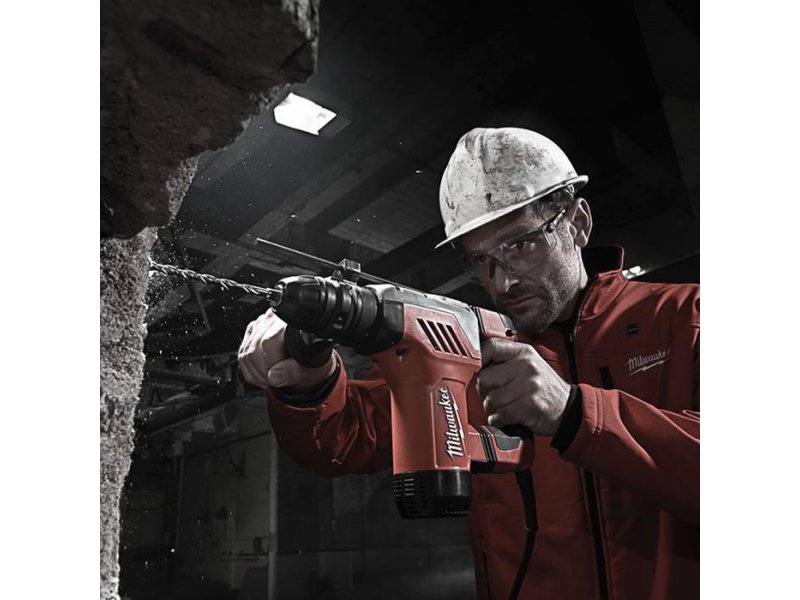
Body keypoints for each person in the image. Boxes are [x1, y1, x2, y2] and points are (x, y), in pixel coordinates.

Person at [238, 127, 699, 600]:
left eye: (518, 245)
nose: (501, 282)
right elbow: (347, 437)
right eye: (480, 260)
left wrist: (576, 413)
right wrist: (309, 383)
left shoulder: (689, 317)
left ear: (577, 223)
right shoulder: (470, 353)